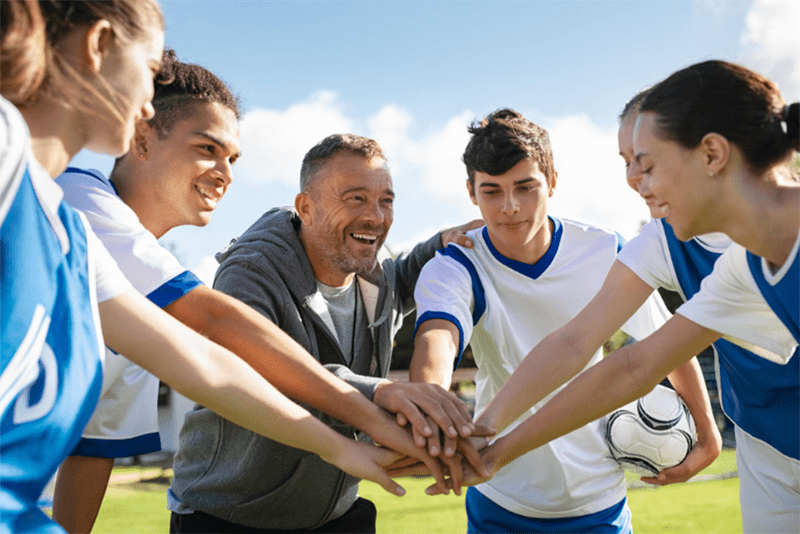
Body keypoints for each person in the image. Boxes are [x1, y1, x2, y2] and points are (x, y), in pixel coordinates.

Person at [0, 2, 417, 531]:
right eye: (150, 73)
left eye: (234, 159)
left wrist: (341, 447)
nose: (150, 103)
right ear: (98, 46)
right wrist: (370, 404)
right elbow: (215, 326)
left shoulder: (76, 241)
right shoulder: (62, 190)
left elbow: (193, 376)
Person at [450, 61, 800, 534]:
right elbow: (632, 365)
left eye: (648, 164)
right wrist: (487, 445)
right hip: (772, 447)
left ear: (712, 154)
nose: (638, 181)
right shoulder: (740, 273)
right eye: (628, 162)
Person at [404, 108, 717, 533]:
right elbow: (437, 337)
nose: (510, 207)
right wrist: (428, 407)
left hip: (599, 498)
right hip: (500, 496)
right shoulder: (457, 265)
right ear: (471, 192)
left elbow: (665, 346)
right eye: (492, 191)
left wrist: (706, 430)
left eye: (525, 187)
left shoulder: (605, 251)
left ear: (552, 181)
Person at [167, 133, 485, 533]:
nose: (375, 216)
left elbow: (402, 278)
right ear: (307, 207)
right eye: (355, 198)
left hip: (334, 514)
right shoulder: (249, 271)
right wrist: (381, 391)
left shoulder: (375, 270)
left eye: (385, 201)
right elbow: (264, 374)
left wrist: (440, 243)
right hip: (230, 516)